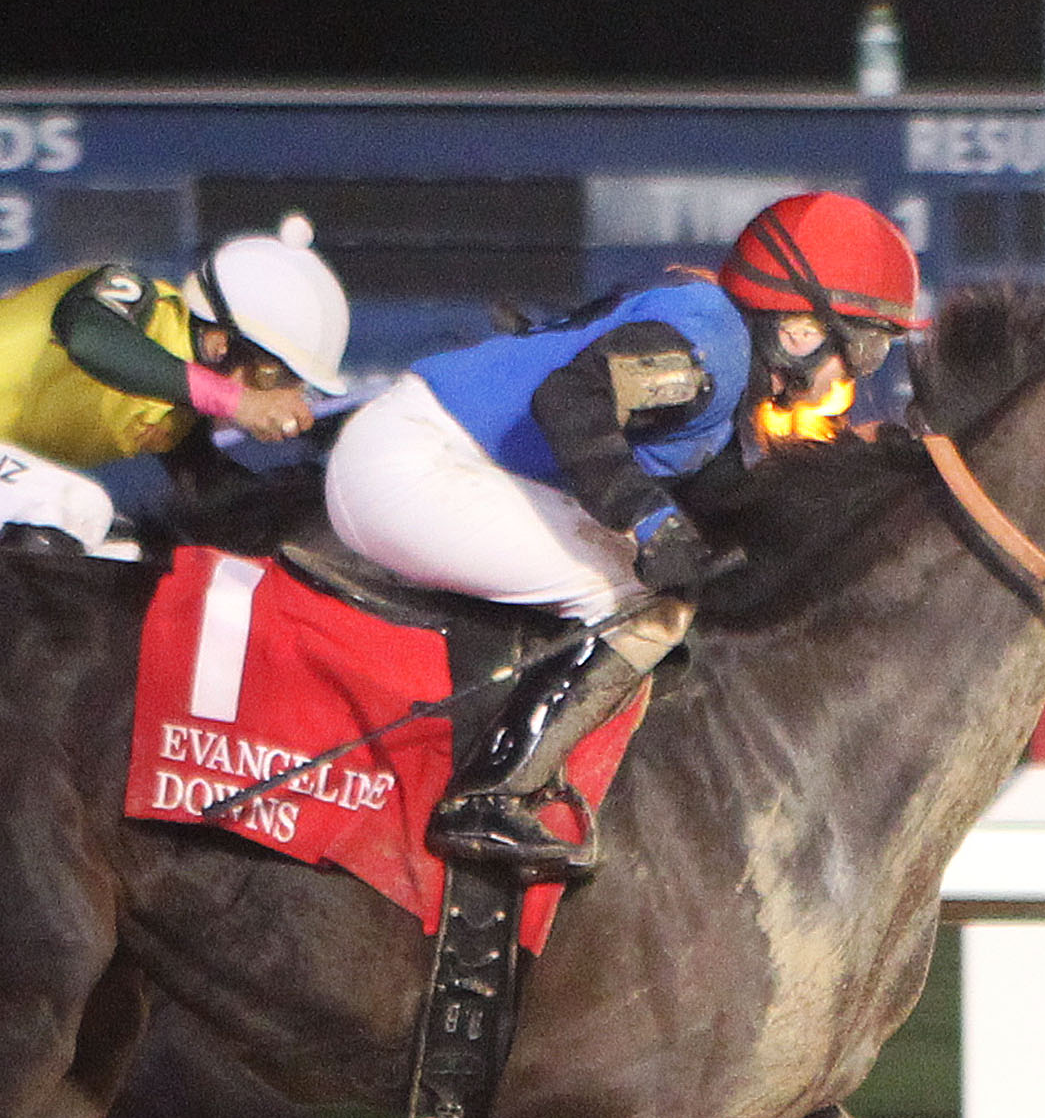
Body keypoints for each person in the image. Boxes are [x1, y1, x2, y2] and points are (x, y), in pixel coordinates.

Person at [324, 189, 919, 878]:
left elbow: (729, 510)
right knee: (646, 604)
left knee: (669, 586)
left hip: (423, 453)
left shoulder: (720, 358)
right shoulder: (711, 355)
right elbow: (569, 400)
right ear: (800, 330)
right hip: (408, 466)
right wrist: (649, 521)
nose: (861, 373)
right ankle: (489, 795)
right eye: (867, 347)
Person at [0, 217, 350, 563]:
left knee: (126, 552)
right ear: (220, 343)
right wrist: (241, 401)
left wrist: (325, 512)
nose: (279, 396)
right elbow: (88, 337)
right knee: (76, 508)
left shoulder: (177, 415)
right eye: (274, 377)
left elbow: (219, 504)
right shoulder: (135, 298)